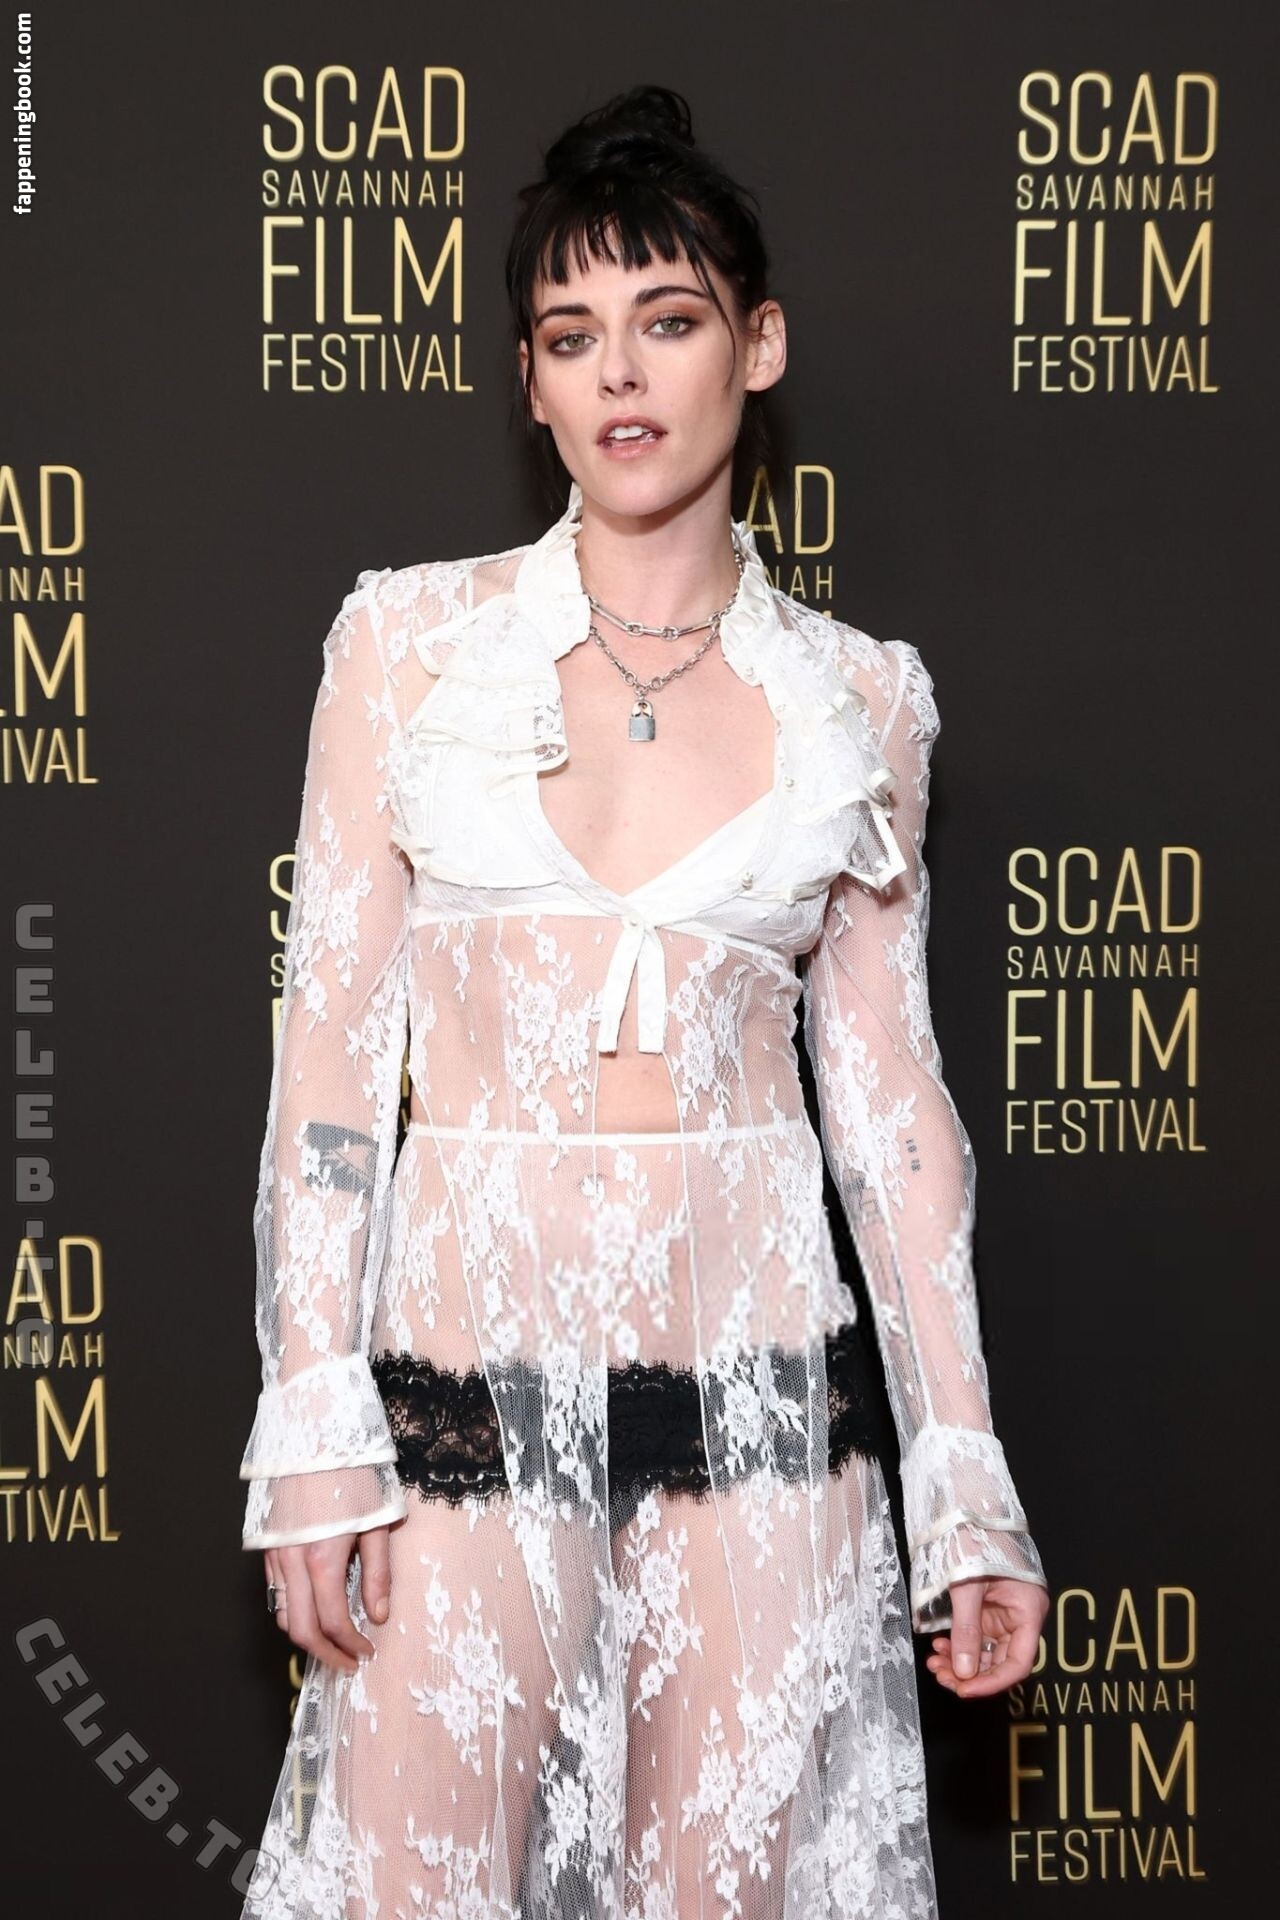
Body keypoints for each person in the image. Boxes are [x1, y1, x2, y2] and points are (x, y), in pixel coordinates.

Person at [237, 83, 1050, 1920]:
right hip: (457, 1394)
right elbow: (335, 1059)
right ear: (530, 385)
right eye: (569, 334)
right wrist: (313, 1421)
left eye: (668, 321)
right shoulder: (406, 648)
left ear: (758, 348)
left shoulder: (861, 701)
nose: (619, 373)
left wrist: (964, 1472)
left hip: (763, 1403)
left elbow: (892, 1110)